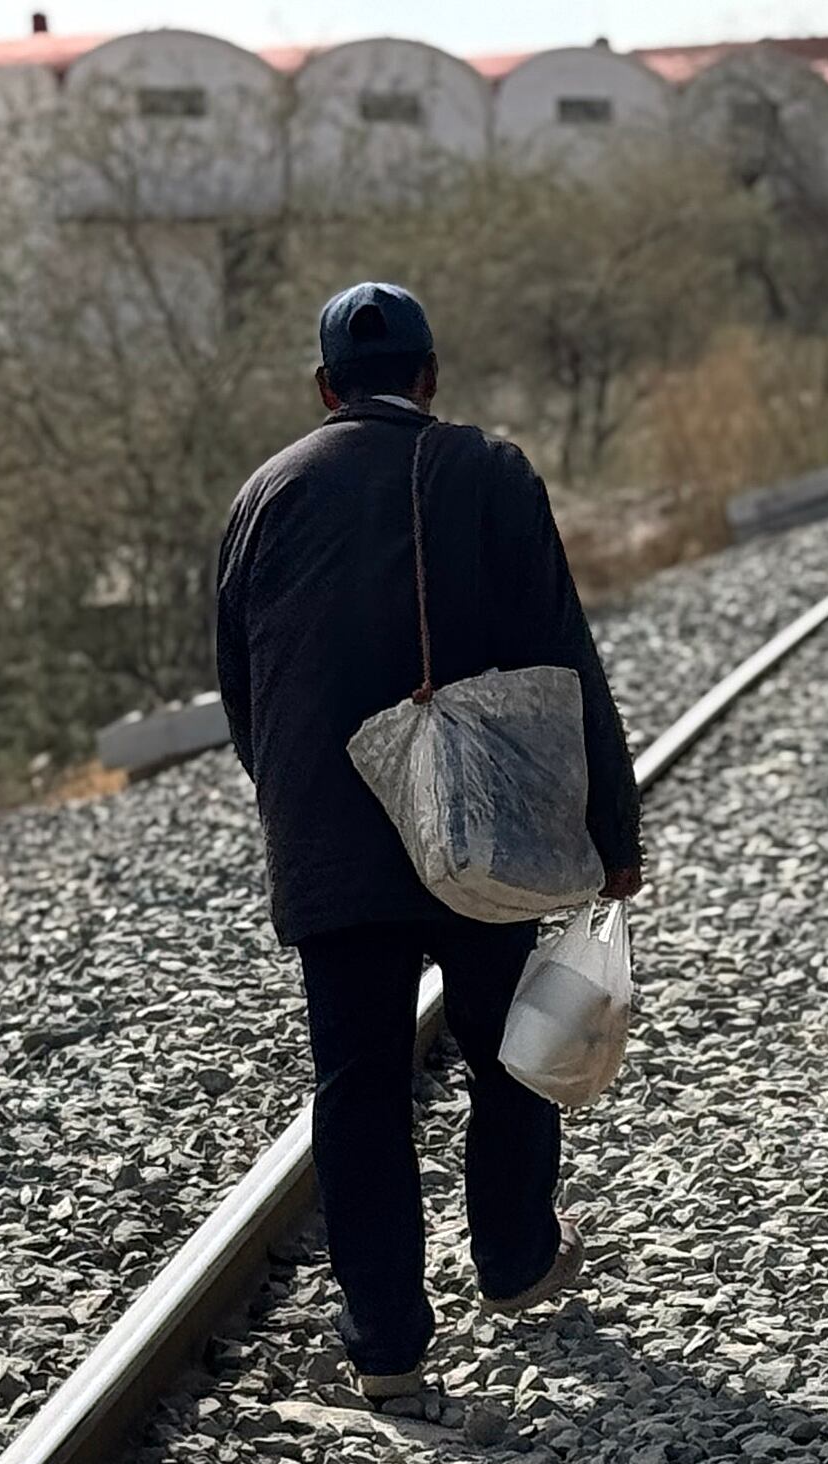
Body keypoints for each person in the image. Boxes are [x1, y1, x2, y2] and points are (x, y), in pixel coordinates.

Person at [216, 282, 643, 1399]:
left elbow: (239, 695)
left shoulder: (263, 494)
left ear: (322, 390)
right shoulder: (489, 474)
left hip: (329, 837)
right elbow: (564, 658)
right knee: (510, 1040)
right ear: (430, 375)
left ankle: (389, 1347)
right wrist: (613, 827)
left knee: (355, 1083)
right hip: (480, 827)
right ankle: (509, 1257)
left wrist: (301, 809)